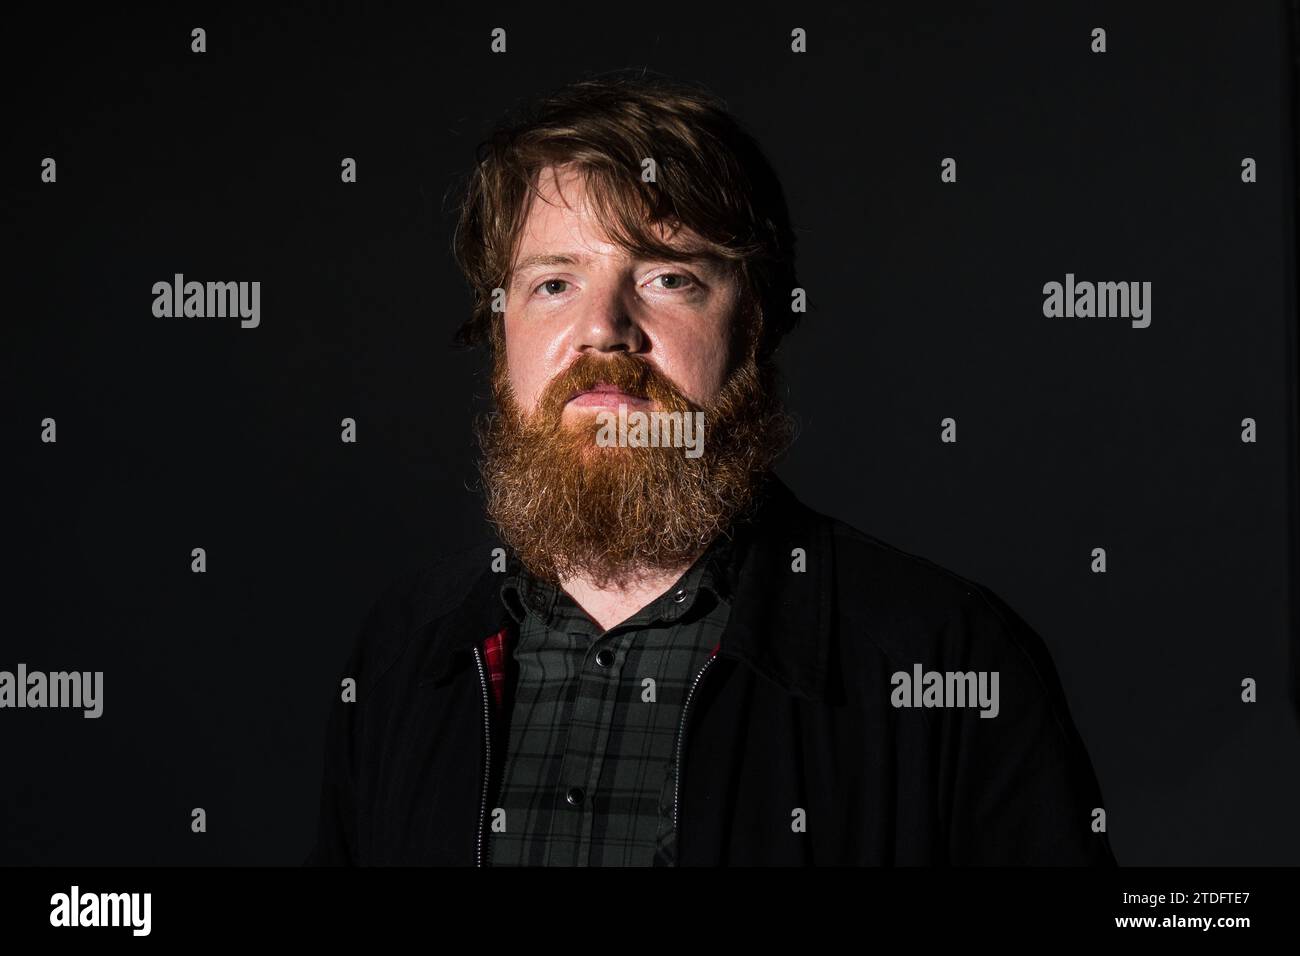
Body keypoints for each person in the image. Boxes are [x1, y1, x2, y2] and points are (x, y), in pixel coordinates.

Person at [305, 69, 1117, 866]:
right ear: (500, 334)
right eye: (554, 283)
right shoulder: (407, 653)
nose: (605, 331)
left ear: (754, 324)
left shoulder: (943, 657)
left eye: (668, 278)